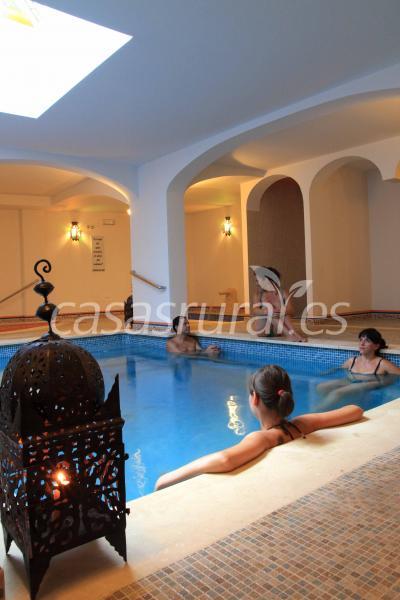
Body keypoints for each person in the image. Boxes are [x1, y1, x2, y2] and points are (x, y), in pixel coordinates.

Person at [155, 364, 363, 490]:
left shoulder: (263, 438)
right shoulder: (303, 424)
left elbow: (225, 459)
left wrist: (165, 479)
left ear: (254, 398)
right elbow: (355, 410)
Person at [317, 328, 400, 407]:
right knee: (321, 387)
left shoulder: (382, 363)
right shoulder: (352, 361)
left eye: (367, 341)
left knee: (337, 393)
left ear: (376, 346)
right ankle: (331, 406)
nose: (362, 343)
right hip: (350, 380)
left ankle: (317, 411)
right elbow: (340, 368)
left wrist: (382, 382)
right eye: (361, 340)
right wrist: (325, 372)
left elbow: (397, 375)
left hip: (368, 383)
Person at [250, 266, 306, 342]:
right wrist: (265, 311)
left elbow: (291, 310)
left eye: (258, 281)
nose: (257, 283)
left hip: (277, 329)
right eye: (256, 281)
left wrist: (279, 310)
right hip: (262, 329)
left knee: (283, 312)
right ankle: (289, 335)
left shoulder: (283, 293)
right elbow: (255, 310)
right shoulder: (258, 294)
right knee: (270, 309)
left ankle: (295, 335)